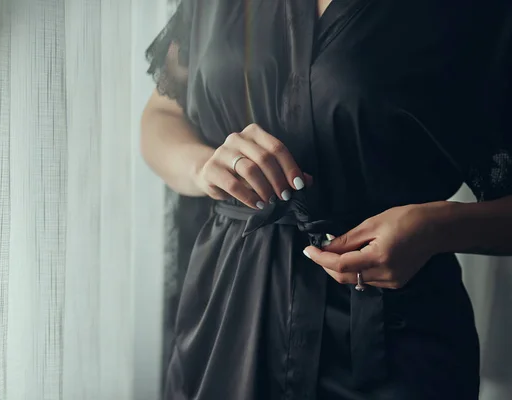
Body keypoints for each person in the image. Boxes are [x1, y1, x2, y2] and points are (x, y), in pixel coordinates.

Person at [140, 0, 512, 399]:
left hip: (392, 339)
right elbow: (163, 114)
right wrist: (202, 167)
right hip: (227, 317)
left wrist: (438, 228)